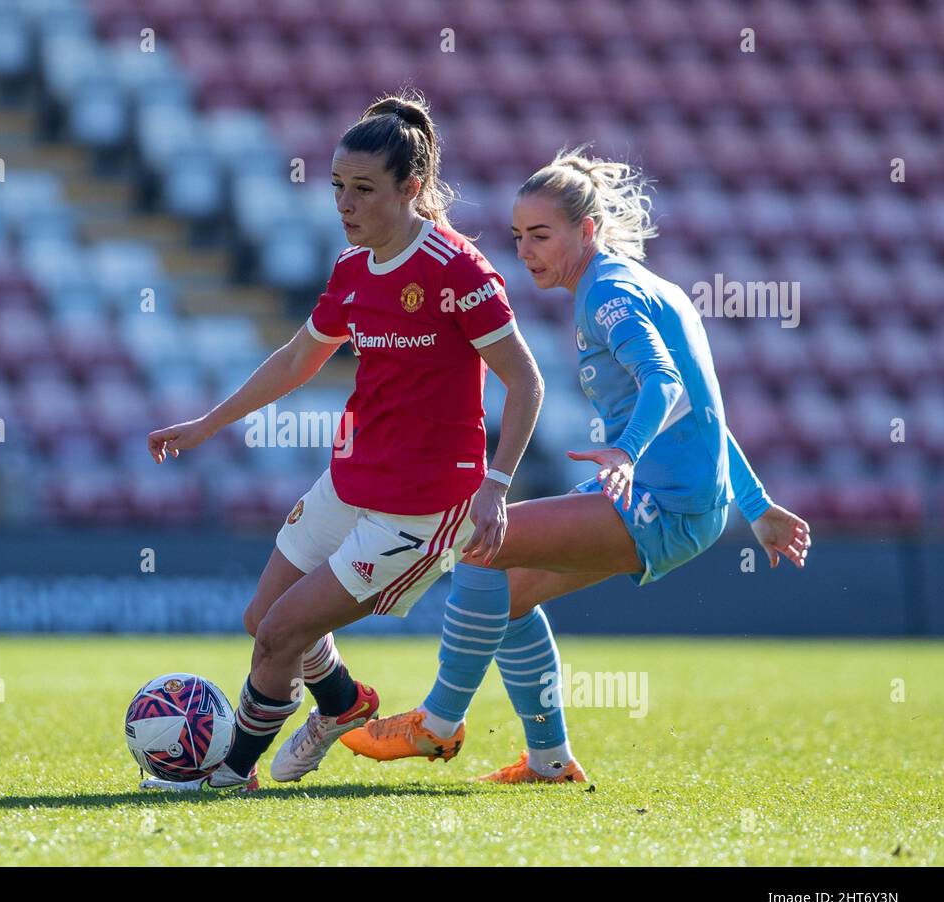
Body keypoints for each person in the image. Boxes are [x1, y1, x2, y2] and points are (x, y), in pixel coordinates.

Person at [340, 146, 812, 783]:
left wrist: (626, 450)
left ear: (586, 230)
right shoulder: (644, 283)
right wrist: (755, 508)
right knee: (502, 594)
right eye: (518, 237)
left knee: (481, 544)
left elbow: (665, 382)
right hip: (684, 497)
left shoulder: (607, 294)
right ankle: (549, 762)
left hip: (661, 497)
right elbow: (704, 410)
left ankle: (439, 722)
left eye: (541, 235)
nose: (526, 250)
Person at [142, 92, 544, 792]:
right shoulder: (353, 271)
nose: (345, 204)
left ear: (410, 188)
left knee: (279, 637)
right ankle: (339, 704)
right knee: (260, 620)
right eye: (337, 188)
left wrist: (497, 486)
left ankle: (229, 774)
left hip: (421, 507)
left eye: (363, 190)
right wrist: (208, 423)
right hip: (351, 481)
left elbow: (527, 382)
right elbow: (299, 359)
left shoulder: (457, 272)